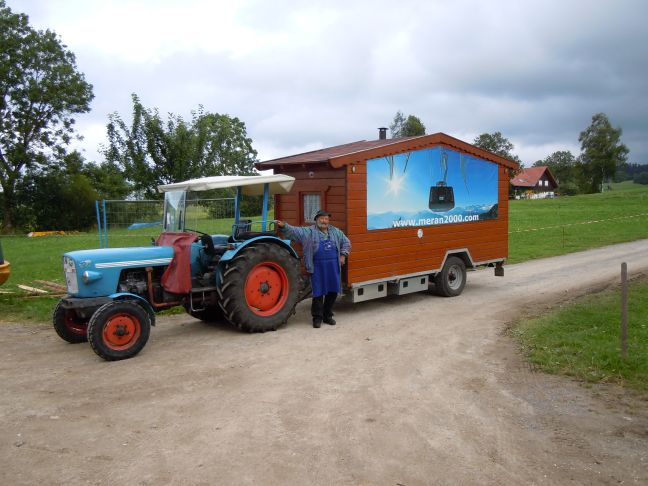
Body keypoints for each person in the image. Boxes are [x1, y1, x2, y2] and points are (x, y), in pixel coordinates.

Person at [275, 210, 351, 328]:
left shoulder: (336, 231)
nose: (324, 221)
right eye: (321, 218)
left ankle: (327, 316)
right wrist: (284, 226)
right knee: (318, 293)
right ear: (316, 220)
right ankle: (317, 318)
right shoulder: (308, 232)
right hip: (317, 268)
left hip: (333, 267)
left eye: (326, 219)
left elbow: (346, 242)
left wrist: (343, 255)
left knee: (332, 292)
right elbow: (295, 231)